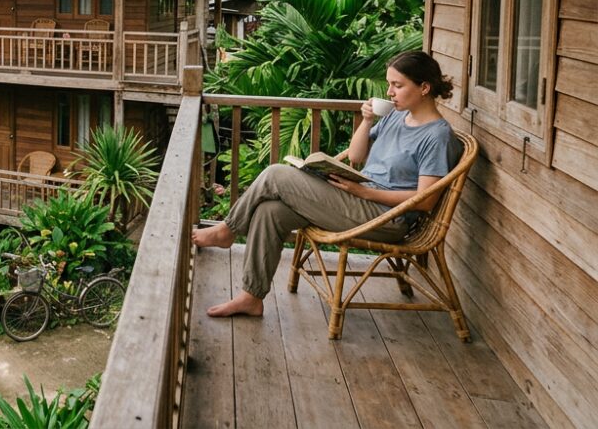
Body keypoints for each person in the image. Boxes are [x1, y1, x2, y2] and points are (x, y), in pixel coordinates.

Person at [191, 51, 462, 317]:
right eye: (389, 84)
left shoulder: (437, 137)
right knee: (270, 211)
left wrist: (364, 192)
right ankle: (251, 297)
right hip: (359, 200)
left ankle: (227, 230)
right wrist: (367, 121)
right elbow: (356, 156)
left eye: (397, 85)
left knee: (275, 175)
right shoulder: (396, 115)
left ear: (424, 88)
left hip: (386, 218)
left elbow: (426, 200)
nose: (390, 92)